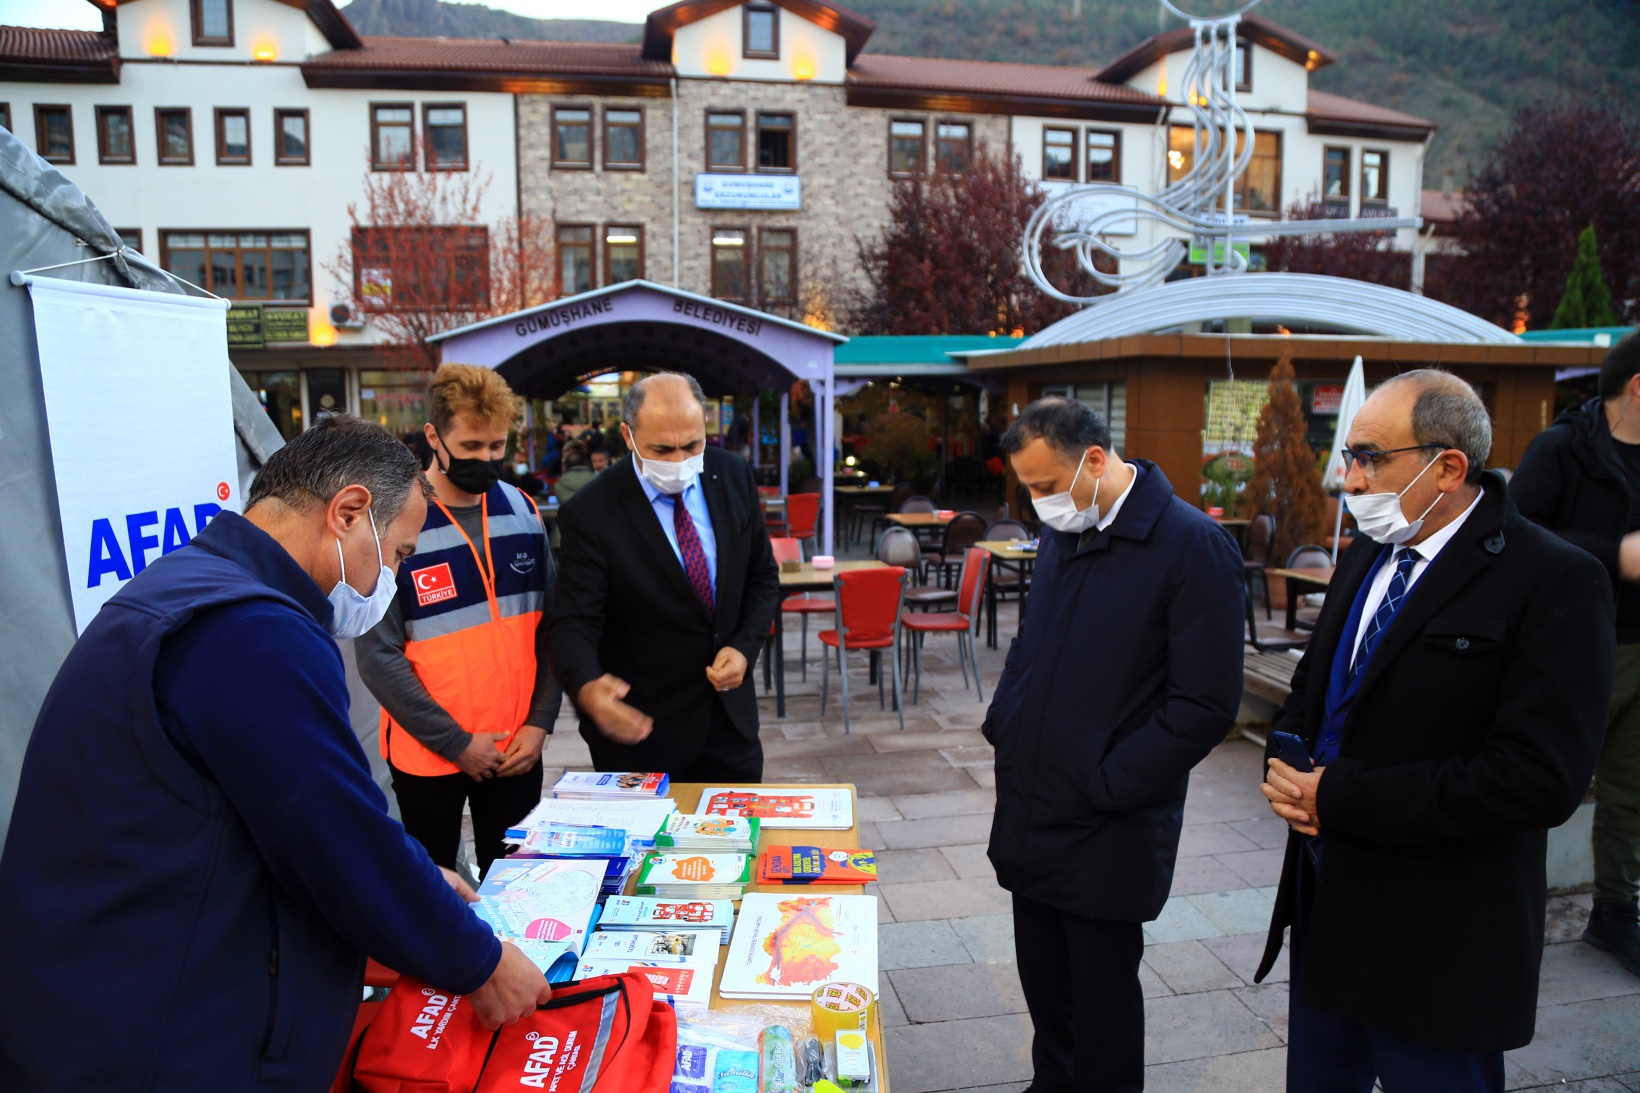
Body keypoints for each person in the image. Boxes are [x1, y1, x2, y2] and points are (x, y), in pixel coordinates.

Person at [0, 414, 550, 1090]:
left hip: (102, 994)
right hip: (154, 1037)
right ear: (348, 513)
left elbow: (288, 807)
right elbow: (338, 839)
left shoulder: (197, 585)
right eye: (400, 553)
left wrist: (418, 877)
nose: (395, 577)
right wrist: (482, 964)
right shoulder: (252, 632)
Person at [1255, 370, 1613, 1092]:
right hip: (1328, 906)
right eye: (1349, 456)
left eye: (1370, 457)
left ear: (1448, 466)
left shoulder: (1553, 577)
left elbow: (1540, 777)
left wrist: (1343, 797)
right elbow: (1313, 687)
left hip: (1442, 937)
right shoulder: (1367, 553)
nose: (1350, 479)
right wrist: (1285, 764)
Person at [983, 397, 1245, 1093]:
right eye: (1027, 488)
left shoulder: (1192, 545)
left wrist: (1108, 780)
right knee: (1047, 993)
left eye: (1045, 485)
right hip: (1034, 804)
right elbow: (1031, 646)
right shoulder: (1068, 531)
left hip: (1108, 823)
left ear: (1094, 460)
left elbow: (1204, 705)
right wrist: (1005, 721)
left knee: (1101, 1009)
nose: (1038, 503)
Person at [357, 365, 559, 879]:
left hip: (515, 749)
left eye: (497, 446)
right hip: (428, 756)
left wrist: (540, 723)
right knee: (430, 891)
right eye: (471, 445)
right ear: (433, 436)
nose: (486, 459)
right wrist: (457, 743)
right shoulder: (395, 523)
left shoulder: (523, 511)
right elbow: (378, 656)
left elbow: (553, 628)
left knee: (515, 889)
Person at [549, 372, 778, 781]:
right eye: (661, 449)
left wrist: (744, 647)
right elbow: (574, 620)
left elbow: (761, 577)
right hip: (642, 733)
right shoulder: (591, 511)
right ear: (628, 436)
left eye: (691, 445)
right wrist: (588, 687)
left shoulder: (732, 474)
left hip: (731, 726)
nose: (678, 462)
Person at [1511, 330, 1640, 976]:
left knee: (1632, 794)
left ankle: (1616, 912)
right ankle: (1506, 914)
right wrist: (1615, 554)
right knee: (1538, 784)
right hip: (1577, 650)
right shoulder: (1562, 447)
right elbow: (1515, 537)